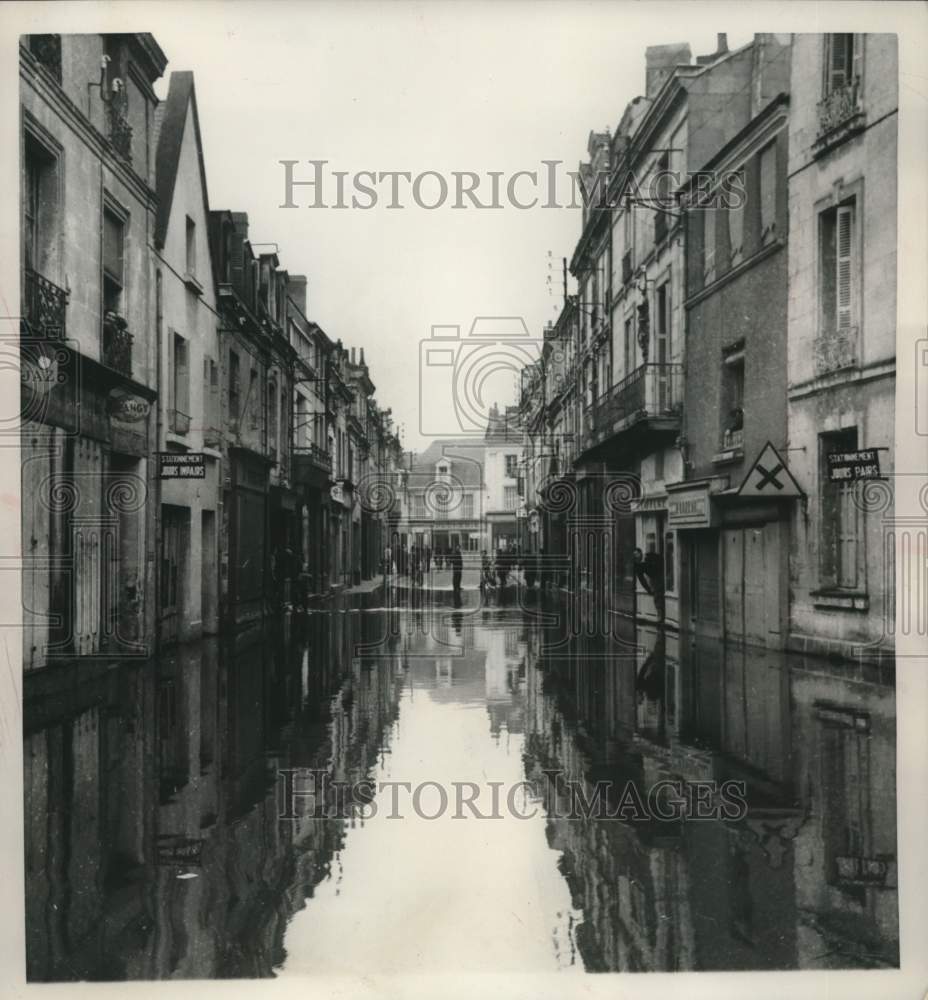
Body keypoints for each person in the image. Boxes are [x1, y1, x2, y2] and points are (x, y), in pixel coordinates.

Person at [633, 546, 665, 620]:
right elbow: (642, 579)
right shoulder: (637, 565)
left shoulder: (650, 556)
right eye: (634, 556)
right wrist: (648, 590)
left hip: (661, 574)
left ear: (640, 553)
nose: (636, 557)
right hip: (653, 578)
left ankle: (660, 614)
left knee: (658, 594)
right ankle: (660, 614)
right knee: (657, 595)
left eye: (637, 554)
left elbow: (661, 560)